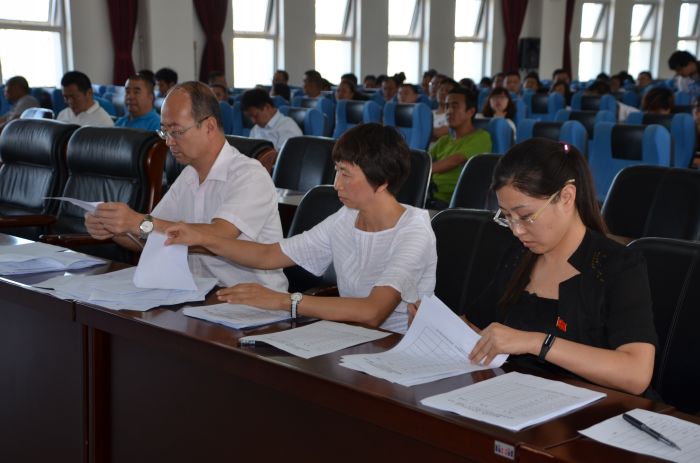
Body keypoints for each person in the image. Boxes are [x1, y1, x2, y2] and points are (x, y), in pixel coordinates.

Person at [165, 123, 437, 334]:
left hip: (400, 346)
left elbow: (372, 312)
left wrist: (283, 300)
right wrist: (203, 237)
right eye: (336, 171)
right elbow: (269, 255)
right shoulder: (346, 218)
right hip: (353, 338)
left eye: (346, 174)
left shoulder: (413, 231)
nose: (336, 184)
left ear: (383, 181)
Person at [456, 138, 657, 395]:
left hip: (597, 408)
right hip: (518, 399)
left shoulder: (618, 266)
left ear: (566, 197)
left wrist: (536, 342)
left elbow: (636, 373)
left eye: (526, 216)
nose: (517, 230)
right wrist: (434, 323)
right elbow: (477, 326)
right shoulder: (519, 256)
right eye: (507, 217)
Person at [85, 81, 287, 291]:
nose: (168, 142)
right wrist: (115, 227)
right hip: (198, 292)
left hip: (251, 300)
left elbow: (218, 236)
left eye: (176, 131)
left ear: (209, 127)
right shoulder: (189, 175)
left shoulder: (249, 175)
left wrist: (138, 222)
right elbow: (153, 236)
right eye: (164, 132)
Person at [429, 87, 492, 207]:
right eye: (447, 106)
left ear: (471, 111)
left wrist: (423, 171)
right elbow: (427, 159)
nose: (449, 111)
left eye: (455, 106)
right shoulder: (444, 140)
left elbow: (454, 161)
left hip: (451, 201)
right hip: (430, 193)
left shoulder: (481, 137)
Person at [240, 88, 302, 171]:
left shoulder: (287, 127)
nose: (253, 121)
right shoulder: (256, 128)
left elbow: (285, 161)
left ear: (267, 107)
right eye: (250, 117)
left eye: (255, 116)